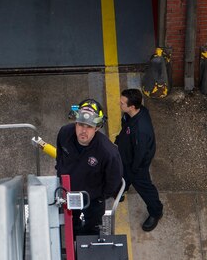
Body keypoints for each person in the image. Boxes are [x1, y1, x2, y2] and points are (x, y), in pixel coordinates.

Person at [55, 99, 123, 236]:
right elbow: (60, 157)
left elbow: (114, 180)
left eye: (89, 126)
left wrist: (99, 197)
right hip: (69, 193)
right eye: (80, 124)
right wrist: (60, 175)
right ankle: (74, 234)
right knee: (71, 220)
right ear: (75, 122)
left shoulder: (108, 153)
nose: (83, 131)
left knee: (92, 226)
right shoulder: (64, 134)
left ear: (97, 128)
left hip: (92, 199)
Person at [115, 88, 164, 232]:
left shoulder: (141, 130)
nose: (120, 104)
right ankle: (122, 189)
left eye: (123, 103)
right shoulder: (130, 114)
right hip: (125, 157)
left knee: (145, 188)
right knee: (122, 175)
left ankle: (156, 212)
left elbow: (140, 154)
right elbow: (125, 130)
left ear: (132, 106)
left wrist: (134, 170)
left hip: (136, 165)